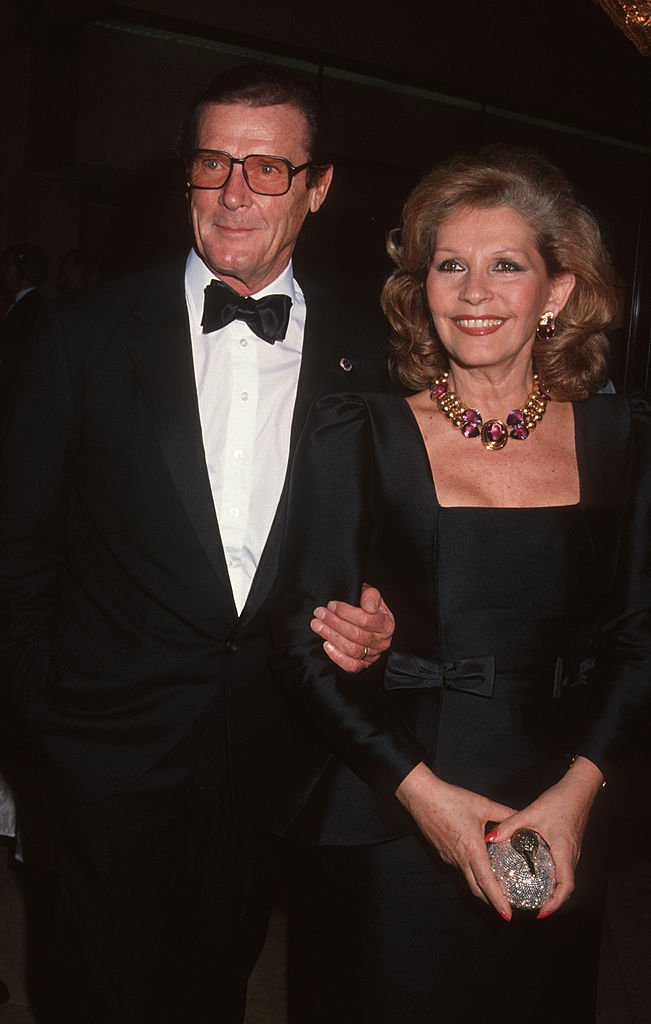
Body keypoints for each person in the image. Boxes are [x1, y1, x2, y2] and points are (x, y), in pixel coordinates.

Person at [0, 64, 396, 1024]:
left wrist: (386, 617)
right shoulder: (77, 333)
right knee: (94, 992)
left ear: (318, 187)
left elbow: (392, 539)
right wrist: (45, 742)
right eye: (214, 162)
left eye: (267, 168)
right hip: (102, 752)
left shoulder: (373, 353)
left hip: (271, 748)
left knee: (214, 984)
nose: (232, 192)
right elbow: (18, 554)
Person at [272, 146, 651, 1023]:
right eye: (450, 265)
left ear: (556, 292)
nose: (473, 291)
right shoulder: (357, 430)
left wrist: (574, 797)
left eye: (505, 265)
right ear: (421, 287)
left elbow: (640, 638)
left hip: (558, 812)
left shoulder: (621, 437)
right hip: (389, 811)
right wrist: (426, 800)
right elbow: (303, 645)